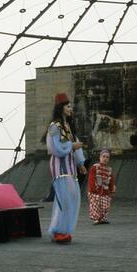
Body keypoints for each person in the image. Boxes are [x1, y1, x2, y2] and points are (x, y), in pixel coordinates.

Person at [45, 92, 83, 243]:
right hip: (60, 167)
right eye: (68, 106)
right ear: (61, 108)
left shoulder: (68, 126)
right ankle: (59, 230)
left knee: (72, 197)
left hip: (71, 167)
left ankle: (63, 229)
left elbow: (75, 145)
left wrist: (80, 164)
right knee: (64, 199)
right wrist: (72, 145)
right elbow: (55, 148)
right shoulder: (54, 127)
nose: (70, 108)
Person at [88, 149, 116, 224]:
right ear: (100, 157)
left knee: (105, 205)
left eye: (107, 157)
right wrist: (93, 189)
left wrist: (112, 189)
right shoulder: (95, 167)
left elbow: (111, 181)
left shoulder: (109, 169)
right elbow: (91, 179)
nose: (105, 159)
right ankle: (96, 218)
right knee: (96, 205)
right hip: (96, 190)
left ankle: (103, 218)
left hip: (105, 191)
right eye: (103, 157)